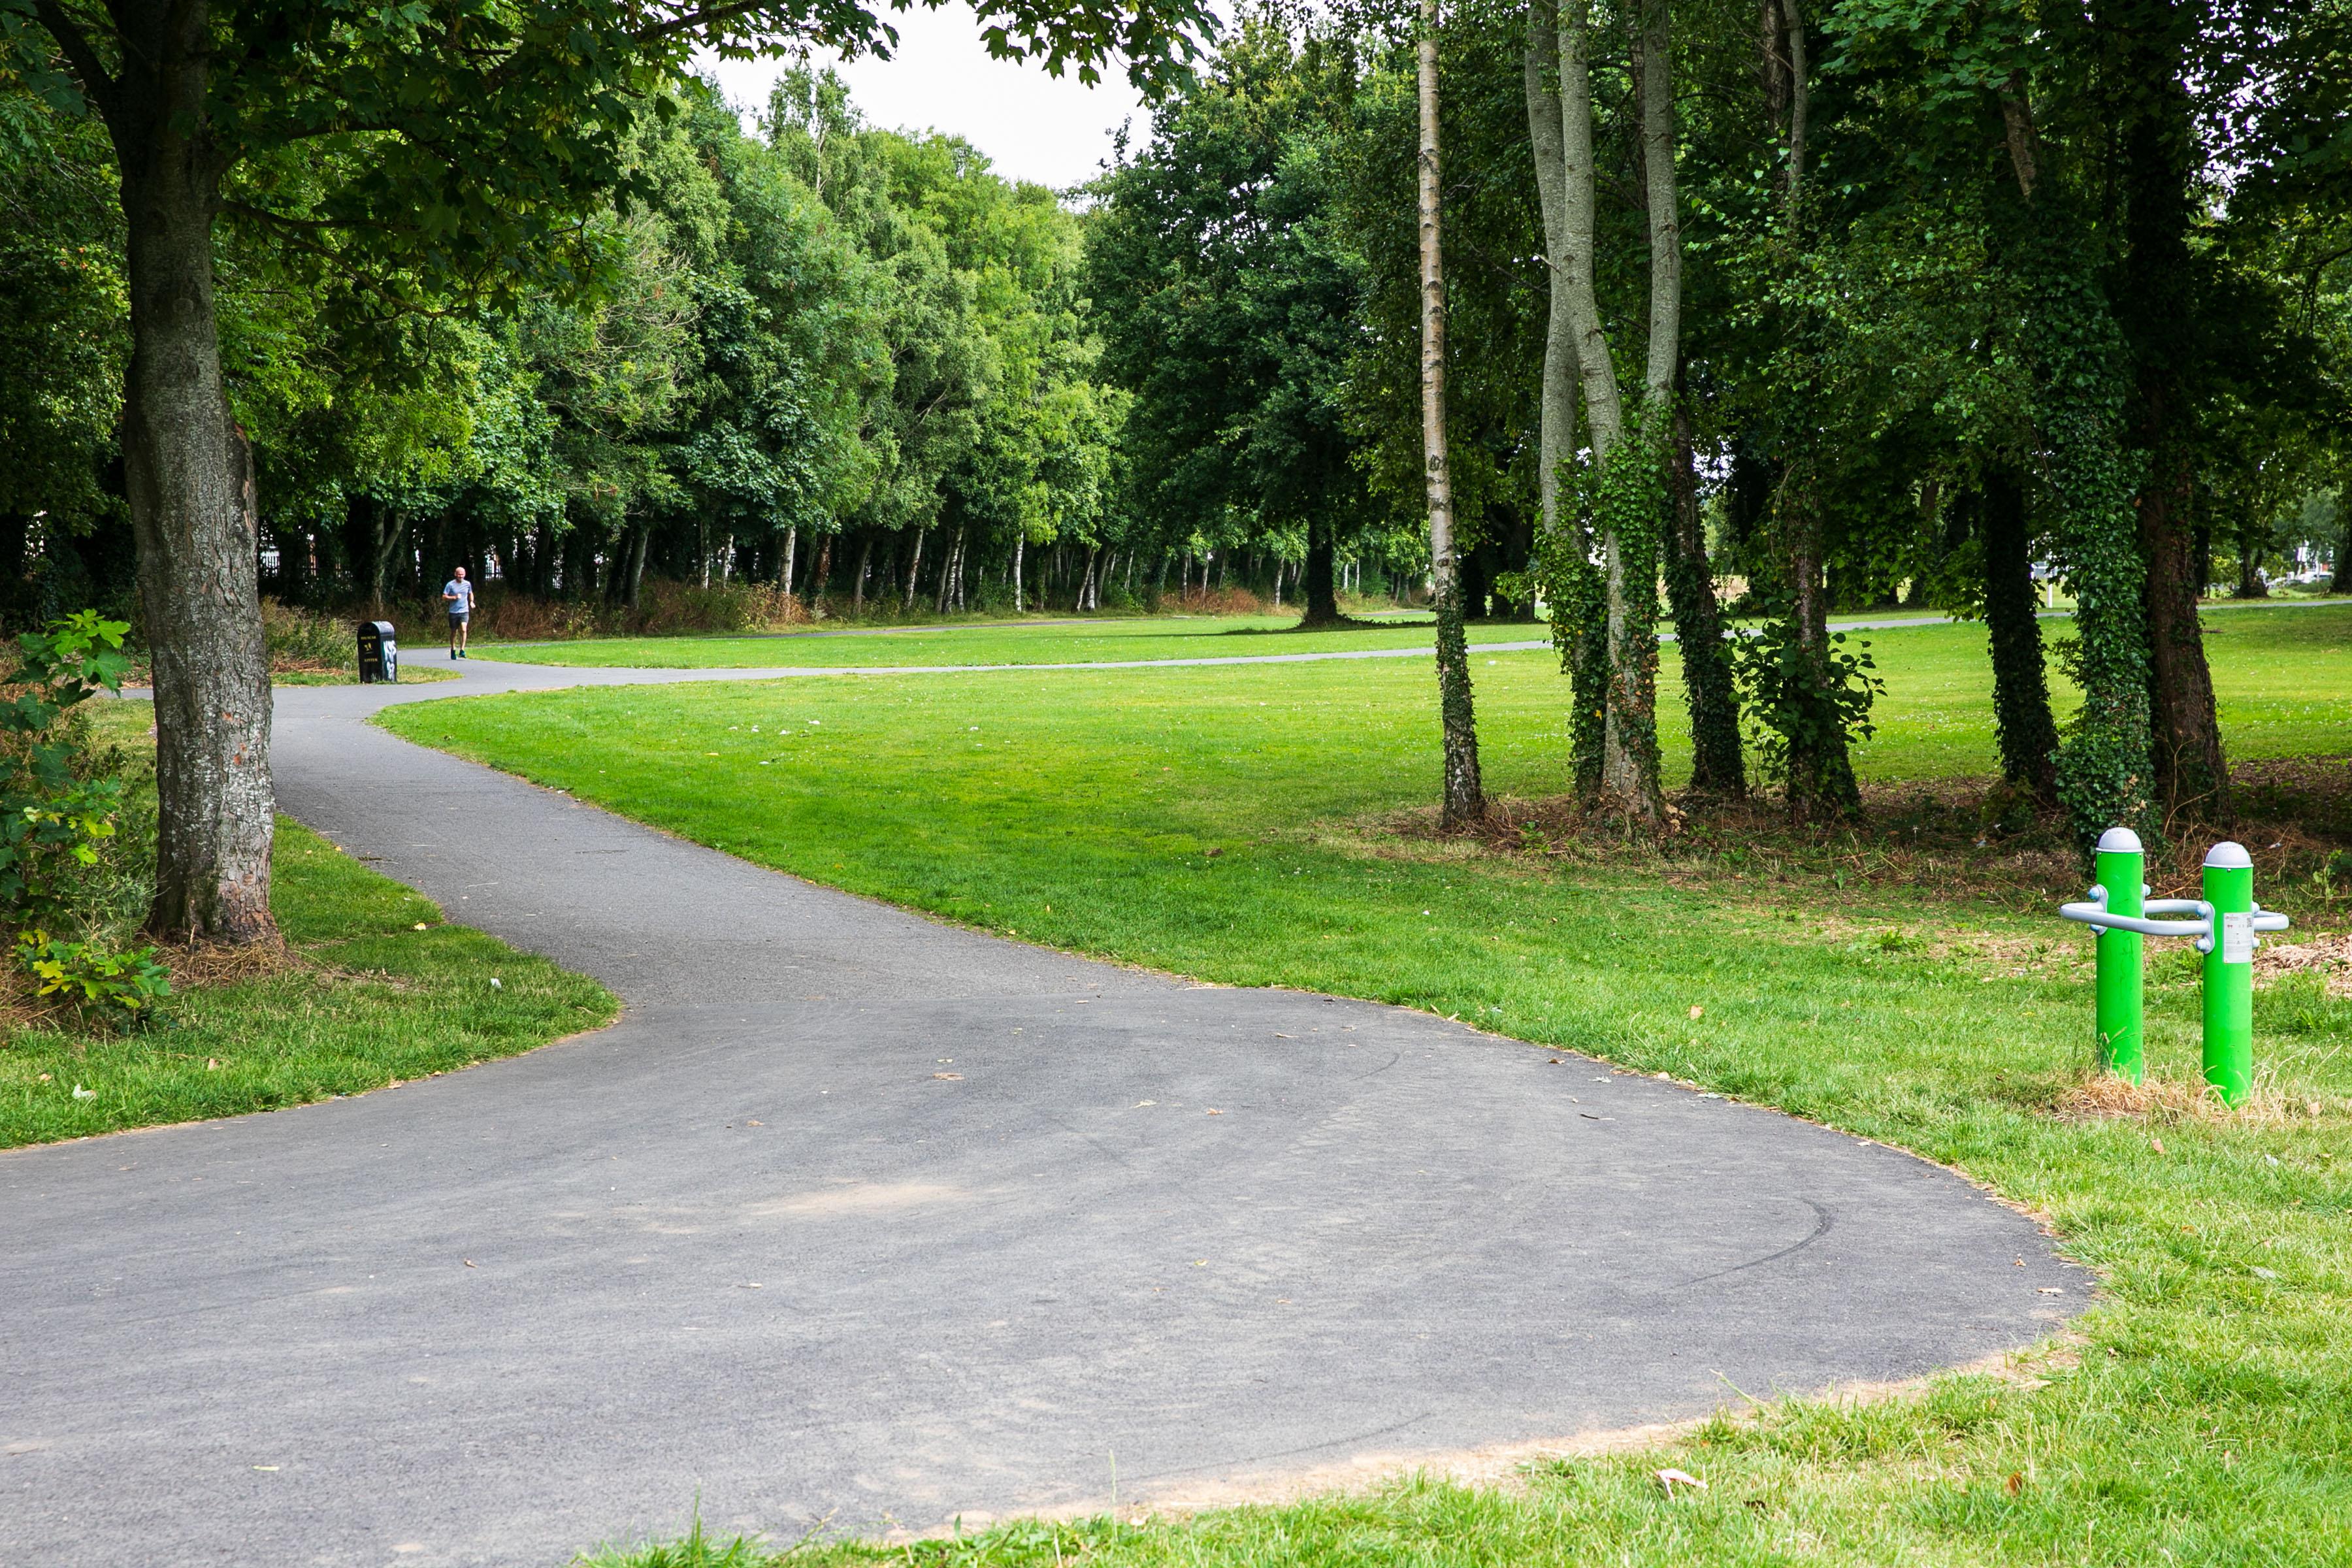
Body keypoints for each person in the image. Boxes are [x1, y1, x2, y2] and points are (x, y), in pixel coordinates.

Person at [442, 566, 474, 658]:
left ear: (465, 574)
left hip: (464, 611)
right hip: (453, 612)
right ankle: (453, 650)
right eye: (459, 574)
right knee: (454, 632)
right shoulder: (450, 585)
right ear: (455, 574)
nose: (461, 576)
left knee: (464, 629)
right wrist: (454, 597)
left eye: (462, 574)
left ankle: (462, 650)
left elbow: (470, 593)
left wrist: (471, 601)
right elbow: (444, 597)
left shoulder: (468, 584)